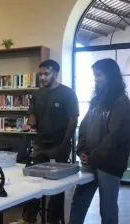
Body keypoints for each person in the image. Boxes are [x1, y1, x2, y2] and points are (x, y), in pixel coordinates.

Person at [17, 60, 79, 224]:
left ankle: (53, 218)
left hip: (61, 144)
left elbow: (73, 121)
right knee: (33, 181)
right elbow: (33, 118)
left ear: (56, 74)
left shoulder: (68, 93)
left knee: (58, 185)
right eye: (40, 74)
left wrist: (64, 145)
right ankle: (29, 216)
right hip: (40, 145)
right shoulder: (37, 94)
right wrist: (28, 125)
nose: (42, 77)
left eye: (46, 74)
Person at [69, 59, 130, 224]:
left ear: (111, 75)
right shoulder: (97, 99)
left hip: (109, 164)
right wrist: (82, 150)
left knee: (107, 208)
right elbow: (85, 126)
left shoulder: (122, 101)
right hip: (90, 160)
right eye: (94, 75)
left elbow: (115, 135)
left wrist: (93, 157)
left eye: (99, 74)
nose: (95, 79)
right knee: (79, 201)